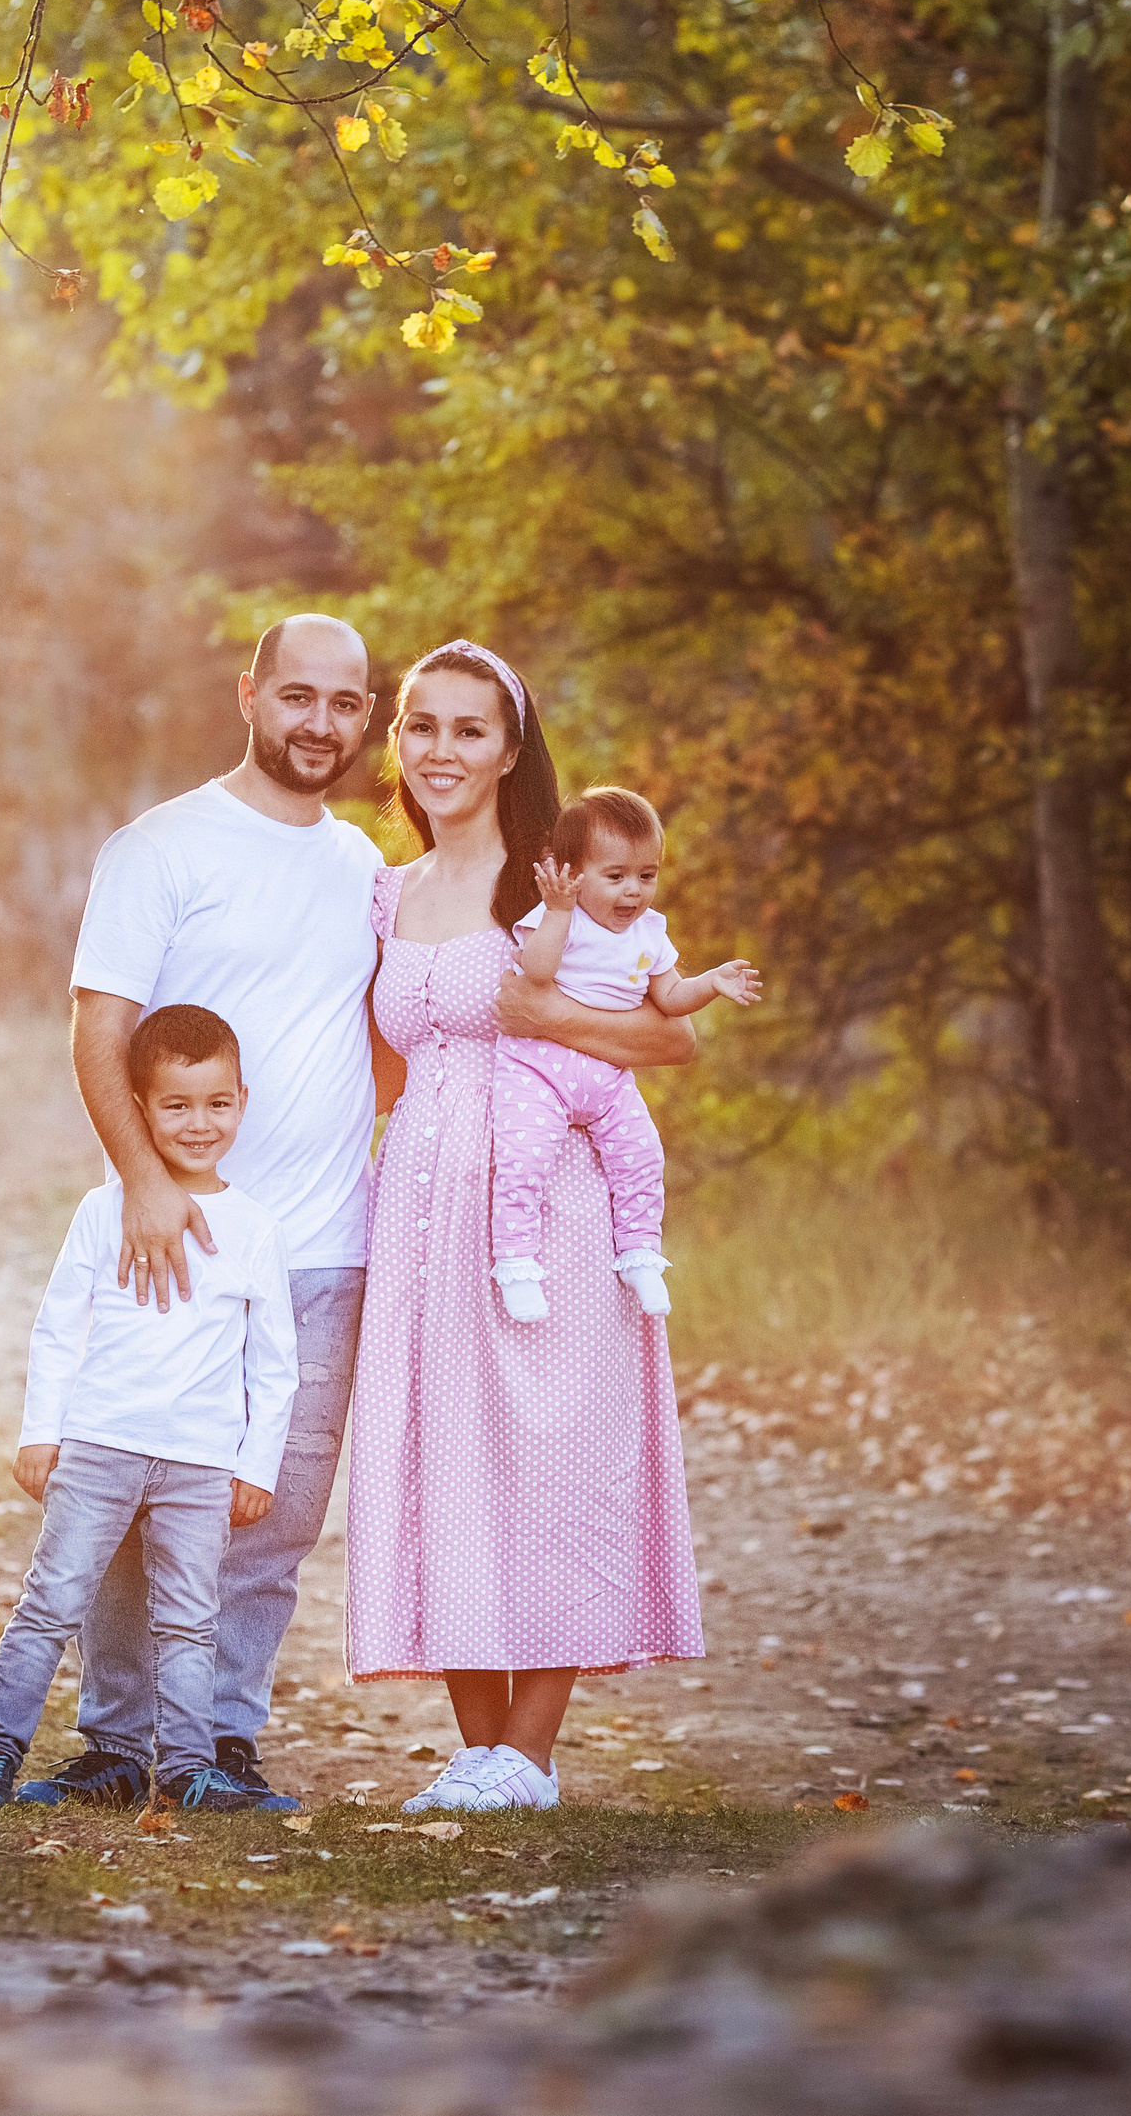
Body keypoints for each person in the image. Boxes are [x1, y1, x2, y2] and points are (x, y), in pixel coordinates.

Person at [343, 641, 706, 1814]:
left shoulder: (556, 883)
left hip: (546, 1199)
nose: (440, 750)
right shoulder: (386, 893)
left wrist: (540, 1010)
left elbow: (668, 1038)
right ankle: (481, 1749)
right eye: (422, 726)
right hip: (417, 1203)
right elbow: (377, 1067)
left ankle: (533, 1753)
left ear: (510, 750)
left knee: (554, 1450)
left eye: (468, 729)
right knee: (441, 1449)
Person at [41, 613, 382, 1811]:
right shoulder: (162, 847)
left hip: (326, 1245)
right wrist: (142, 1179)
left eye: (345, 704)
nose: (320, 724)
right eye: (298, 696)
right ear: (248, 694)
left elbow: (375, 1046)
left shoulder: (363, 871)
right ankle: (119, 1744)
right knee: (143, 1505)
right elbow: (99, 1028)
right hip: (178, 1236)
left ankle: (222, 1743)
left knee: (271, 1520)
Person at [0, 1005, 298, 1812]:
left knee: (187, 1620)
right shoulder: (101, 1212)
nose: (200, 1123)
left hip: (201, 1462)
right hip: (100, 1442)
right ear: (140, 1108)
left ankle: (186, 1769)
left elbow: (274, 1366)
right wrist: (42, 1434)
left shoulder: (255, 1230)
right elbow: (59, 1328)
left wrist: (254, 1466)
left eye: (217, 1103)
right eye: (176, 1105)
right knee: (53, 1598)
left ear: (243, 1099)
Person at [492, 786, 762, 1323]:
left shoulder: (649, 934)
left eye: (646, 875)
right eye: (615, 876)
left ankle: (640, 1253)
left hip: (609, 1076)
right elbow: (538, 973)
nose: (633, 892)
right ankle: (517, 1262)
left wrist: (710, 982)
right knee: (524, 1162)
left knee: (641, 1157)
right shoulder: (559, 920)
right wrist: (557, 910)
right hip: (538, 1068)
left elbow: (670, 999)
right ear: (572, 873)